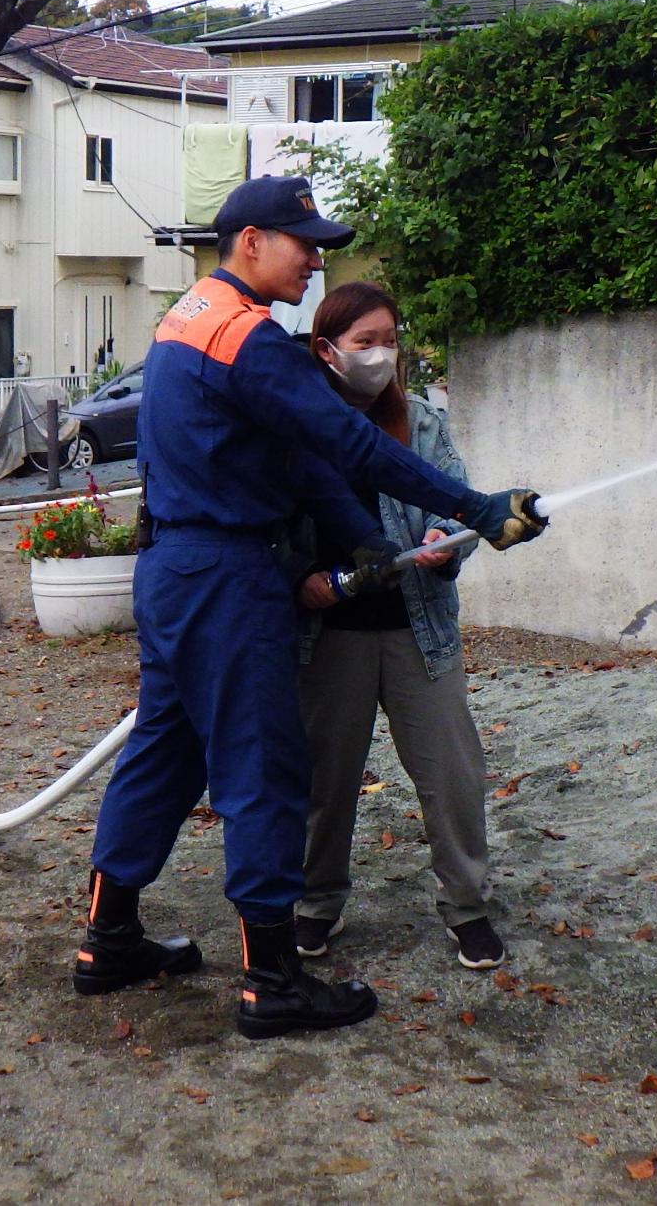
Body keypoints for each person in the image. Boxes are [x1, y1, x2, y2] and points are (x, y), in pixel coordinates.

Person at [75, 174, 547, 1042]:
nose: (316, 261)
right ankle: (273, 981)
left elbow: (284, 459)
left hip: (174, 567)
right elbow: (345, 442)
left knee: (165, 754)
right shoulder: (251, 340)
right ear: (251, 240)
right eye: (304, 245)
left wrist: (355, 537)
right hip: (228, 576)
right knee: (262, 769)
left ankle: (109, 938)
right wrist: (479, 507)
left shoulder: (188, 319)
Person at [290, 282, 505, 971]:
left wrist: (446, 539)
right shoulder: (299, 424)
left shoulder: (421, 419)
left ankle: (468, 907)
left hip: (421, 629)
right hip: (328, 637)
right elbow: (281, 524)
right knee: (324, 781)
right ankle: (313, 905)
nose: (381, 354)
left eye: (390, 339)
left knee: (454, 774)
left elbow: (459, 503)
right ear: (327, 350)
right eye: (365, 342)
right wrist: (304, 580)